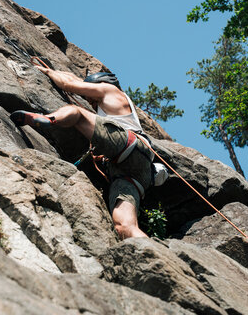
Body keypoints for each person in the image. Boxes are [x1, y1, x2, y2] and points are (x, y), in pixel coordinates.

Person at [10, 66, 154, 239]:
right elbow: (71, 77)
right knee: (124, 226)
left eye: (89, 97)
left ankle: (49, 119)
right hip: (137, 171)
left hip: (131, 145)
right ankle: (158, 258)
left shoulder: (109, 89)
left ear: (100, 83)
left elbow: (68, 83)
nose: (90, 102)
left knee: (77, 112)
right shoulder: (118, 108)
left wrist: (47, 71)